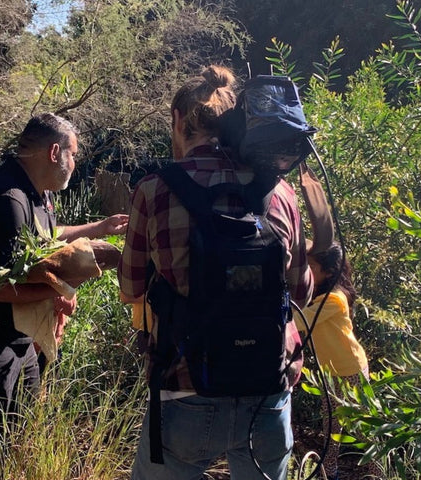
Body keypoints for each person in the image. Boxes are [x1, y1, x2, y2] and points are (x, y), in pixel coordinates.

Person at [118, 65, 313, 480]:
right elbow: (300, 293)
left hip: (185, 385)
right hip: (268, 386)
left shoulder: (154, 190)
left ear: (177, 121)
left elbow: (130, 288)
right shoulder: (280, 192)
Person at [0, 112, 128, 480]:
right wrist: (60, 289)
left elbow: (47, 236)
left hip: (16, 342)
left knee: (12, 440)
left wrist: (99, 228)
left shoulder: (36, 195)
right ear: (55, 152)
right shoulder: (6, 199)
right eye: (73, 154)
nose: (75, 163)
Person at [298, 242, 376, 479]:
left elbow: (300, 321)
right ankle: (329, 472)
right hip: (329, 372)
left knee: (364, 429)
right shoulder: (320, 293)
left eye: (310, 266)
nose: (305, 271)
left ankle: (380, 473)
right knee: (331, 427)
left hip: (350, 368)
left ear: (329, 271)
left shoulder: (335, 299)